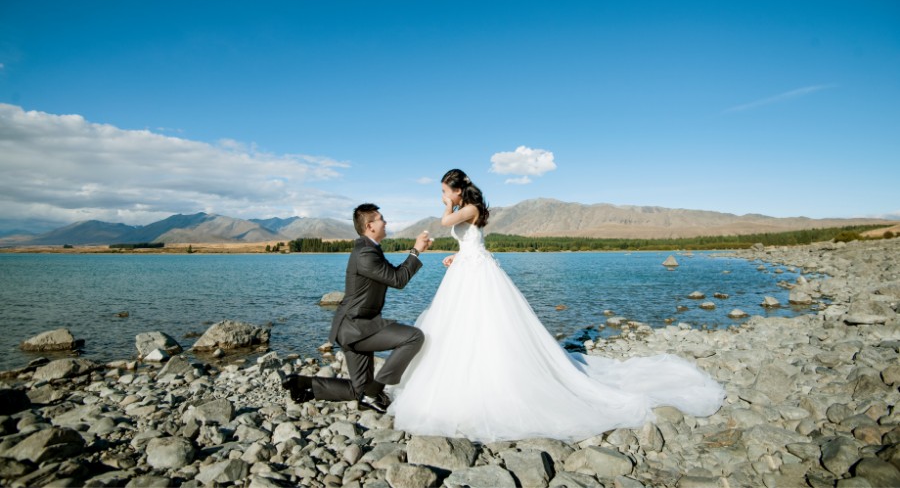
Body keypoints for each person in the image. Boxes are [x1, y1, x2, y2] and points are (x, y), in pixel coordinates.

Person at [389, 169, 725, 443]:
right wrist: (456, 255)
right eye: (444, 193)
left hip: (477, 274)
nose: (443, 196)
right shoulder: (465, 209)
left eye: (446, 190)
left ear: (459, 190)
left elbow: (446, 223)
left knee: (488, 324)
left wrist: (447, 204)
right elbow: (467, 242)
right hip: (467, 269)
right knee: (462, 325)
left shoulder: (470, 208)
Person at [282, 203, 432, 413]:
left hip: (355, 328)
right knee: (414, 337)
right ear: (370, 226)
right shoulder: (365, 253)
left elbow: (395, 274)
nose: (385, 222)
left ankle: (303, 384)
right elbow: (398, 280)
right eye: (381, 219)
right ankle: (376, 391)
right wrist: (415, 251)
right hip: (357, 328)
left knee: (358, 391)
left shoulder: (370, 249)